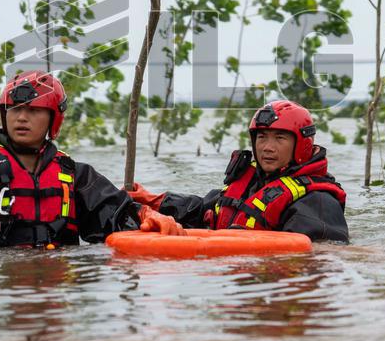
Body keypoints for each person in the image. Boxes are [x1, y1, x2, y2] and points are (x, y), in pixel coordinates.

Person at [0, 70, 184, 248]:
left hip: (55, 278)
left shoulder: (74, 174)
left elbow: (117, 214)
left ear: (54, 118)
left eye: (33, 110)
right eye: (14, 109)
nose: (22, 117)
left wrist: (148, 213)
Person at [129, 100, 349, 242]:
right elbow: (206, 211)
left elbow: (316, 259)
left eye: (279, 138)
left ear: (302, 145)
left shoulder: (318, 202)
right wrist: (154, 201)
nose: (267, 147)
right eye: (262, 137)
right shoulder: (251, 181)